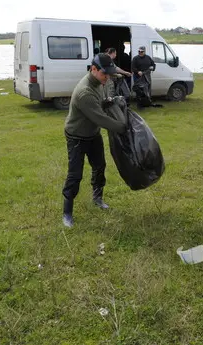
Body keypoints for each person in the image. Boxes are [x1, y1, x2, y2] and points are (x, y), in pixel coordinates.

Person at [62, 53, 127, 228]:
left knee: (99, 166)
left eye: (109, 74)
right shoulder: (85, 92)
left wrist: (111, 101)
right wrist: (123, 128)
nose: (108, 77)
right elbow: (100, 119)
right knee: (75, 174)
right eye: (105, 73)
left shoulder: (100, 82)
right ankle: (67, 213)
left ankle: (97, 198)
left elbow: (100, 104)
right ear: (93, 69)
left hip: (92, 134)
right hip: (76, 135)